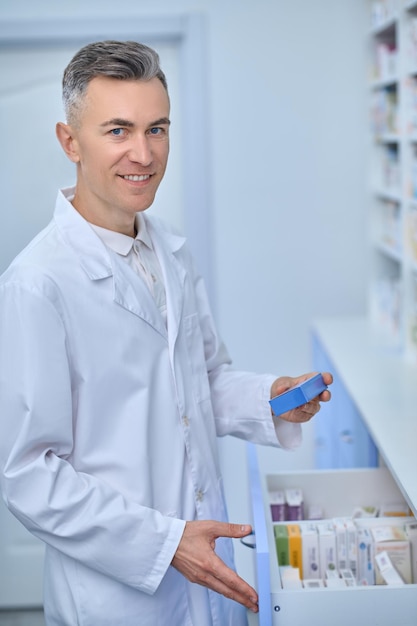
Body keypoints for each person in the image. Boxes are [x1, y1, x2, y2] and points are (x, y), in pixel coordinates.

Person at [0, 40, 332, 626]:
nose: (144, 153)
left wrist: (272, 395)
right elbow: (29, 475)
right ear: (70, 141)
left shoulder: (169, 250)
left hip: (204, 566)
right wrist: (164, 543)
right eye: (118, 130)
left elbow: (200, 382)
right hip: (116, 592)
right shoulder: (38, 284)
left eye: (157, 129)